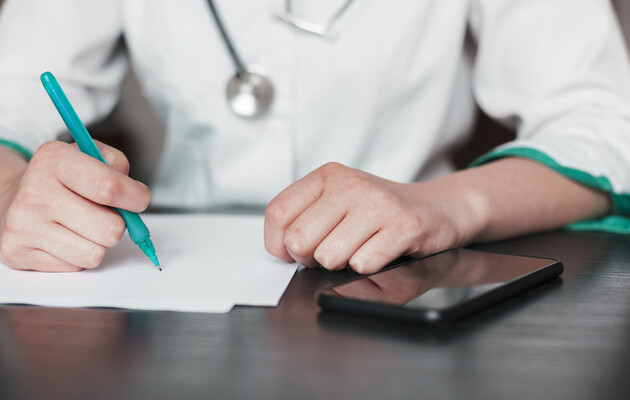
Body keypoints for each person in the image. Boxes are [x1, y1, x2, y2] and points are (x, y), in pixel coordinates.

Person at [0, 0, 628, 274]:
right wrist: (11, 191)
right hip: (169, 269)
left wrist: (447, 205)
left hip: (407, 271)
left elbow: (604, 124)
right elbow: (13, 92)